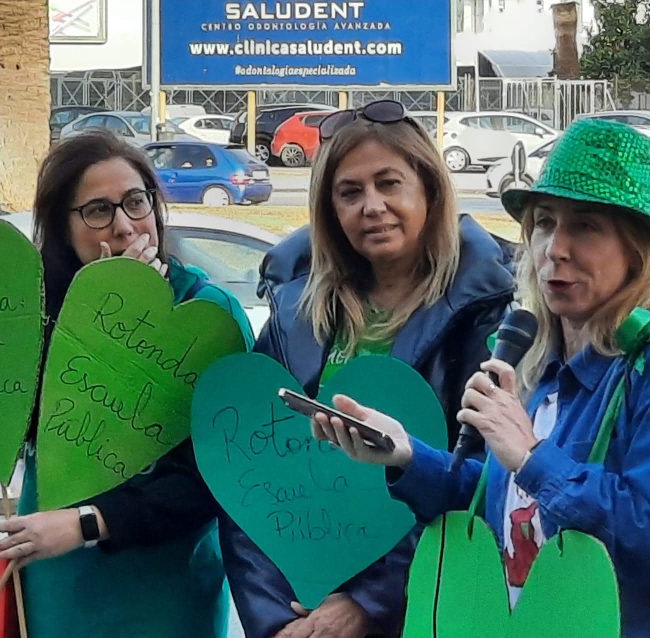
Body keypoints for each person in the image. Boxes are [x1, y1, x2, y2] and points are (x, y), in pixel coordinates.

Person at [311, 120, 650, 637]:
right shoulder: (540, 361)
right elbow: (510, 505)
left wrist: (532, 456)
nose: (556, 248)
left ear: (636, 250)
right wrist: (406, 454)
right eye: (544, 223)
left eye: (585, 226)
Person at [220, 99, 515, 637]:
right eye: (350, 192)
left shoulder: (489, 315)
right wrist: (275, 621)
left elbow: (487, 487)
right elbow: (245, 473)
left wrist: (368, 604)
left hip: (426, 611)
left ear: (429, 188)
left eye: (389, 184)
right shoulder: (294, 313)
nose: (371, 206)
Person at [0, 131, 254, 635]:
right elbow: (16, 430)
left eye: (136, 201)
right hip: (57, 587)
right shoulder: (39, 316)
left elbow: (220, 476)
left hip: (164, 590)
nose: (125, 225)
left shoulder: (208, 314)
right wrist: (100, 315)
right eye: (98, 211)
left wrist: (90, 522)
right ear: (63, 228)